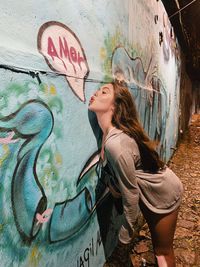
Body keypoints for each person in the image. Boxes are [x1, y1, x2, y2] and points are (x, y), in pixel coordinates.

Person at [88, 79, 183, 267]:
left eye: (104, 92)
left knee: (162, 252)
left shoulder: (116, 145)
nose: (97, 93)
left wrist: (123, 241)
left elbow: (131, 197)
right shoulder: (109, 136)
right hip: (148, 193)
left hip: (164, 192)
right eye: (99, 90)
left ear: (115, 106)